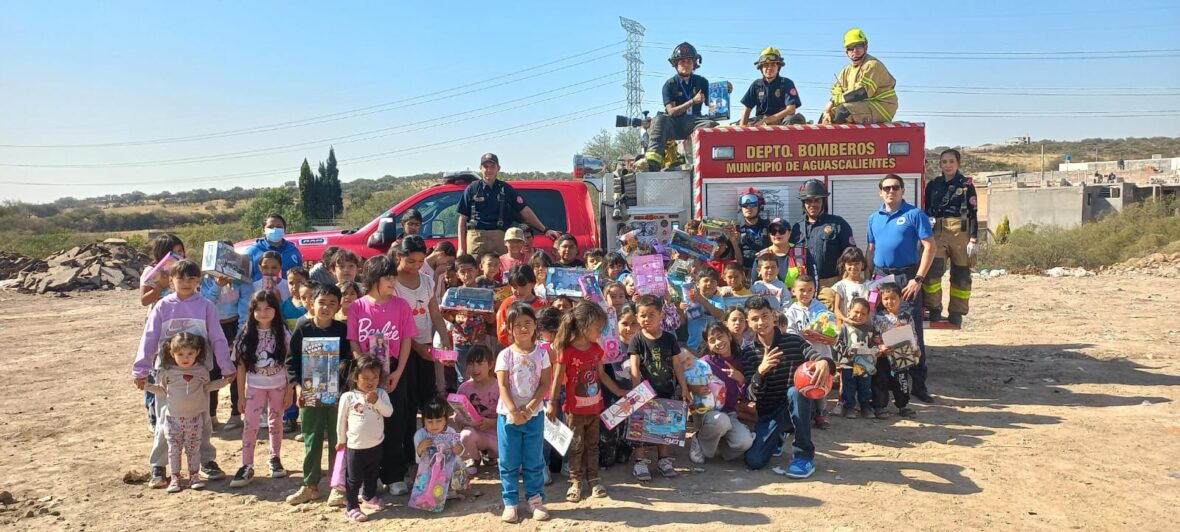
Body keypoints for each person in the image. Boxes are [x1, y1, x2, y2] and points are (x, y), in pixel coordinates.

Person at [134, 259, 235, 489]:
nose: (186, 282)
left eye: (192, 278)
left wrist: (227, 367)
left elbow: (218, 338)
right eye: (181, 278)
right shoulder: (162, 306)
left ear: (199, 280)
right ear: (171, 280)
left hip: (199, 373)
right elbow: (149, 338)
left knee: (202, 418)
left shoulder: (206, 306)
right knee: (165, 418)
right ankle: (159, 466)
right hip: (167, 372)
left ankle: (206, 460)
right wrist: (140, 369)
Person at [346, 255, 417, 497]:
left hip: (394, 369)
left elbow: (406, 340)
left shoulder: (401, 306)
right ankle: (369, 477)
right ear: (374, 278)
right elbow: (354, 341)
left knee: (395, 421)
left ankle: (394, 475)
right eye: (388, 277)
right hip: (364, 372)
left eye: (394, 277)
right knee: (365, 422)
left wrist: (398, 372)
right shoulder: (357, 307)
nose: (393, 282)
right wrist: (365, 372)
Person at [740, 296, 830, 476]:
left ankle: (804, 457)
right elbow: (751, 395)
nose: (761, 322)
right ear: (748, 323)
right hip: (769, 413)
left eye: (765, 316)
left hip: (797, 407)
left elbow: (815, 357)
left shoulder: (794, 341)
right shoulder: (748, 353)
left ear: (773, 316)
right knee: (754, 461)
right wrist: (760, 372)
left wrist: (824, 362)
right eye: (755, 319)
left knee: (795, 392)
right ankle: (779, 436)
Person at [547, 301, 628, 502]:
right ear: (584, 326)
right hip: (574, 410)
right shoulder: (566, 351)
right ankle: (576, 482)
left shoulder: (596, 349)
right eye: (598, 328)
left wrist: (619, 391)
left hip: (595, 408)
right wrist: (552, 403)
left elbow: (602, 375)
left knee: (593, 445)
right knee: (576, 446)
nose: (600, 332)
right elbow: (557, 379)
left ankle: (594, 480)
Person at [866, 174, 936, 403]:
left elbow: (930, 247)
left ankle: (918, 385)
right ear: (880, 192)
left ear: (903, 190)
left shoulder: (915, 215)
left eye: (895, 187)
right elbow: (871, 248)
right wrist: (868, 279)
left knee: (909, 331)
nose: (891, 191)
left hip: (906, 277)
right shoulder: (873, 218)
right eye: (886, 188)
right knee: (881, 330)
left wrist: (918, 279)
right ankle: (886, 384)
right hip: (880, 276)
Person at [285, 283, 352, 507]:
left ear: (338, 307)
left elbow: (349, 363)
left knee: (338, 439)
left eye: (332, 303)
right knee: (312, 439)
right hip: (310, 393)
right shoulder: (303, 328)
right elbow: (291, 361)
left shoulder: (342, 330)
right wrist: (297, 387)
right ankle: (310, 485)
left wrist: (344, 390)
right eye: (321, 302)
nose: (326, 307)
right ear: (311, 304)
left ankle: (337, 486)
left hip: (337, 395)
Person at [144, 332, 230, 493]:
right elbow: (162, 390)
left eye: (190, 353)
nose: (186, 358)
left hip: (194, 419)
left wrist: (224, 382)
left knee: (193, 449)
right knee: (174, 450)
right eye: (181, 354)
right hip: (173, 420)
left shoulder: (201, 371)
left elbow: (207, 387)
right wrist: (146, 386)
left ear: (197, 352)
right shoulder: (167, 372)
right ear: (172, 353)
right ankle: (175, 478)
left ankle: (194, 477)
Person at [495, 303, 553, 523]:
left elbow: (544, 383)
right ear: (509, 328)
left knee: (533, 460)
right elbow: (502, 385)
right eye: (517, 324)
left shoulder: (542, 354)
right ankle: (510, 502)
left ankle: (535, 500)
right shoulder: (505, 355)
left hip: (534, 416)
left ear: (535, 325)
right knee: (508, 461)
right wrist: (514, 411)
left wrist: (529, 410)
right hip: (508, 417)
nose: (523, 328)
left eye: (527, 323)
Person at [229, 290, 292, 488]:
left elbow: (290, 363)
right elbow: (240, 367)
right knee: (250, 425)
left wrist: (290, 390)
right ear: (252, 311)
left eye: (268, 309)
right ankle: (247, 464)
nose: (263, 313)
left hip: (279, 386)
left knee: (276, 422)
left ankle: (275, 457)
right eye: (258, 309)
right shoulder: (245, 334)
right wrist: (240, 396)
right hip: (255, 387)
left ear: (276, 310)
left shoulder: (283, 333)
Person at [628, 295, 691, 481]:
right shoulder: (636, 340)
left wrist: (684, 387)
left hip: (666, 390)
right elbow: (634, 366)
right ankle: (640, 462)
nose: (647, 319)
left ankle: (663, 460)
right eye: (642, 315)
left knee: (664, 427)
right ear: (637, 317)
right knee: (640, 428)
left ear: (661, 315)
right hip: (644, 392)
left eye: (651, 314)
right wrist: (636, 391)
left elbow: (677, 364)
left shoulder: (669, 338)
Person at [636, 42, 722, 172]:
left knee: (712, 125)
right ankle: (652, 164)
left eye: (689, 61)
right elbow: (671, 112)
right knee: (660, 119)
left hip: (695, 122)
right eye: (682, 62)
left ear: (694, 64)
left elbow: (713, 105)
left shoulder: (702, 82)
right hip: (674, 124)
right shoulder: (669, 85)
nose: (686, 65)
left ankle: (710, 164)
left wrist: (723, 91)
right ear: (676, 64)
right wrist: (693, 101)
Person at [456, 153, 561, 257]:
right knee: (473, 268)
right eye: (485, 166)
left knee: (501, 267)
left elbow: (525, 211)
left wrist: (545, 230)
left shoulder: (506, 189)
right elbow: (462, 220)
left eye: (492, 166)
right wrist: (461, 248)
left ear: (498, 168)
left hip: (499, 239)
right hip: (476, 239)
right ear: (480, 168)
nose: (489, 170)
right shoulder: (472, 189)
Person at [393, 236, 454, 411]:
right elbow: (394, 323)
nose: (416, 266)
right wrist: (417, 347)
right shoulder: (392, 283)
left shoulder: (427, 280)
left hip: (425, 344)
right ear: (399, 256)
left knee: (427, 393)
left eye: (420, 261)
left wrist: (445, 339)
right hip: (401, 347)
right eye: (411, 261)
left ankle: (429, 428)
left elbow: (434, 313)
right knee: (408, 397)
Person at [199, 242, 252, 429]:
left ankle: (235, 414)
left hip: (234, 326)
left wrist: (240, 334)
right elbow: (206, 304)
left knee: (236, 369)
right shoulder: (205, 279)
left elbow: (245, 306)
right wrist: (217, 285)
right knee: (212, 370)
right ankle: (211, 414)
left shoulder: (242, 280)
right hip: (212, 326)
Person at [923, 148, 979, 327]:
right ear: (940, 164)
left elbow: (973, 213)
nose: (947, 165)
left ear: (958, 163)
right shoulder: (933, 185)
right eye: (944, 162)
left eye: (951, 161)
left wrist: (973, 239)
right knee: (932, 272)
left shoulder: (967, 185)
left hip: (960, 231)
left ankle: (956, 312)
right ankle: (934, 309)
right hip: (937, 231)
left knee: (961, 274)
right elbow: (925, 210)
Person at [335, 355, 394, 522]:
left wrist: (377, 402)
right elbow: (341, 421)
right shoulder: (348, 397)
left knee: (372, 473)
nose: (370, 382)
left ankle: (368, 497)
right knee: (354, 479)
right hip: (355, 446)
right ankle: (352, 507)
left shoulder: (381, 394)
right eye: (366, 378)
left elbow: (389, 412)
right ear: (356, 377)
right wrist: (341, 440)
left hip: (376, 444)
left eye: (375, 377)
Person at [691, 323, 755, 463]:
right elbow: (689, 383)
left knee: (745, 442)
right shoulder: (704, 363)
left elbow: (747, 393)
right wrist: (695, 388)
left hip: (730, 413)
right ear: (708, 345)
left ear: (729, 336)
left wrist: (740, 378)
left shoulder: (741, 361)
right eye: (712, 340)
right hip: (707, 413)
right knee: (721, 421)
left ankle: (720, 448)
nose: (718, 342)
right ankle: (700, 441)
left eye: (720, 337)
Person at [792, 179, 856, 310]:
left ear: (823, 201)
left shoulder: (838, 224)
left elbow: (851, 256)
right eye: (808, 201)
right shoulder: (796, 228)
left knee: (827, 321)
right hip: (803, 287)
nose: (812, 204)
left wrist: (844, 283)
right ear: (803, 203)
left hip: (829, 286)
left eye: (817, 200)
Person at [820, 28, 898, 125]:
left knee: (843, 111)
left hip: (881, 107)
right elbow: (837, 91)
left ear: (866, 47)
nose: (855, 51)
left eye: (859, 46)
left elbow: (862, 93)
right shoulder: (846, 71)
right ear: (846, 52)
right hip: (862, 105)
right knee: (827, 117)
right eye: (850, 48)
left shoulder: (872, 65)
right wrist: (827, 111)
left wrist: (833, 101)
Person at [872, 283, 921, 418]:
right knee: (880, 380)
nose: (889, 301)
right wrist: (881, 347)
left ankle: (902, 405)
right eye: (886, 298)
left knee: (901, 381)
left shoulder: (907, 317)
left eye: (893, 298)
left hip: (902, 354)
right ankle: (880, 407)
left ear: (901, 298)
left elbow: (913, 334)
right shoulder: (878, 318)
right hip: (883, 356)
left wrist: (916, 349)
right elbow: (874, 336)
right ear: (881, 299)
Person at [444, 254, 492, 383]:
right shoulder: (453, 293)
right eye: (462, 271)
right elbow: (445, 314)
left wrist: (487, 315)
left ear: (477, 270)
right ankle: (463, 396)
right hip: (460, 340)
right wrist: (452, 318)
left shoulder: (485, 293)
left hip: (479, 340)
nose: (466, 275)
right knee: (462, 376)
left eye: (470, 270)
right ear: (457, 274)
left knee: (480, 373)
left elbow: (491, 320)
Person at [413, 397, 468, 503]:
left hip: (446, 468)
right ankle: (428, 491)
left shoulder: (450, 432)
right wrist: (420, 449)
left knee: (457, 461)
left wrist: (458, 448)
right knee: (416, 472)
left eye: (439, 421)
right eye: (430, 421)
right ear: (423, 420)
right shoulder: (420, 435)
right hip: (429, 469)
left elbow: (459, 452)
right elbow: (418, 461)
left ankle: (451, 488)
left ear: (445, 420)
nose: (434, 425)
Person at [455, 345, 500, 475]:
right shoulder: (464, 389)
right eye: (471, 364)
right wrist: (470, 422)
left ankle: (490, 456)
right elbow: (457, 416)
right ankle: (474, 458)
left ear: (490, 364)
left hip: (498, 433)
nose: (475, 369)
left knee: (518, 467)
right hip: (476, 432)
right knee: (466, 435)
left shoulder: (500, 387)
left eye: (480, 364)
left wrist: (492, 423)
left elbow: (509, 416)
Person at [738, 47, 805, 126]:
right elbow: (747, 109)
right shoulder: (756, 85)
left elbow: (791, 110)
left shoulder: (786, 83)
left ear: (778, 67)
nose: (769, 68)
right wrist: (742, 129)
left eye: (773, 64)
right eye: (766, 65)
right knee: (738, 124)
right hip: (761, 123)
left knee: (795, 119)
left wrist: (767, 120)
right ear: (761, 68)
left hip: (782, 123)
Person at [834, 297, 877, 419]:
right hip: (848, 364)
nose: (859, 316)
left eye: (863, 314)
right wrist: (848, 352)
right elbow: (837, 344)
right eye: (856, 312)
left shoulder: (869, 328)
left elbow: (872, 343)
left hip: (865, 364)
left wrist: (875, 350)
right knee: (849, 387)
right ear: (849, 311)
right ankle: (849, 408)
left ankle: (865, 407)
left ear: (868, 315)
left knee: (865, 387)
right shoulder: (844, 327)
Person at [761, 217, 816, 295]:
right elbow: (755, 285)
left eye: (781, 230)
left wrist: (812, 300)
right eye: (773, 231)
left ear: (790, 233)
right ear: (769, 234)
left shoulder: (802, 252)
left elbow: (814, 280)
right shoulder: (762, 255)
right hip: (769, 302)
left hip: (798, 301)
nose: (777, 234)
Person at [496, 264, 546, 348]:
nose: (518, 291)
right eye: (514, 286)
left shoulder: (543, 304)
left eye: (522, 286)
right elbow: (502, 333)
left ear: (533, 283)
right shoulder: (507, 304)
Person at [245, 213, 303, 282]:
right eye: (271, 227)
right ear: (263, 230)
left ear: (284, 229)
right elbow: (243, 281)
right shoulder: (252, 252)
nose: (275, 229)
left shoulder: (293, 251)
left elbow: (301, 278)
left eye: (279, 227)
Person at [831, 247, 869, 324]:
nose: (853, 267)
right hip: (847, 326)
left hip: (866, 326)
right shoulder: (841, 285)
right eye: (850, 264)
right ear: (844, 266)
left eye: (857, 264)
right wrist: (845, 319)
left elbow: (872, 308)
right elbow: (836, 309)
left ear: (862, 265)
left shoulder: (869, 285)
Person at [737, 189, 772, 271]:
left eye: (753, 204)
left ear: (760, 206)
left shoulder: (769, 227)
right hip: (745, 273)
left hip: (766, 272)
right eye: (745, 205)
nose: (748, 208)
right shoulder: (736, 229)